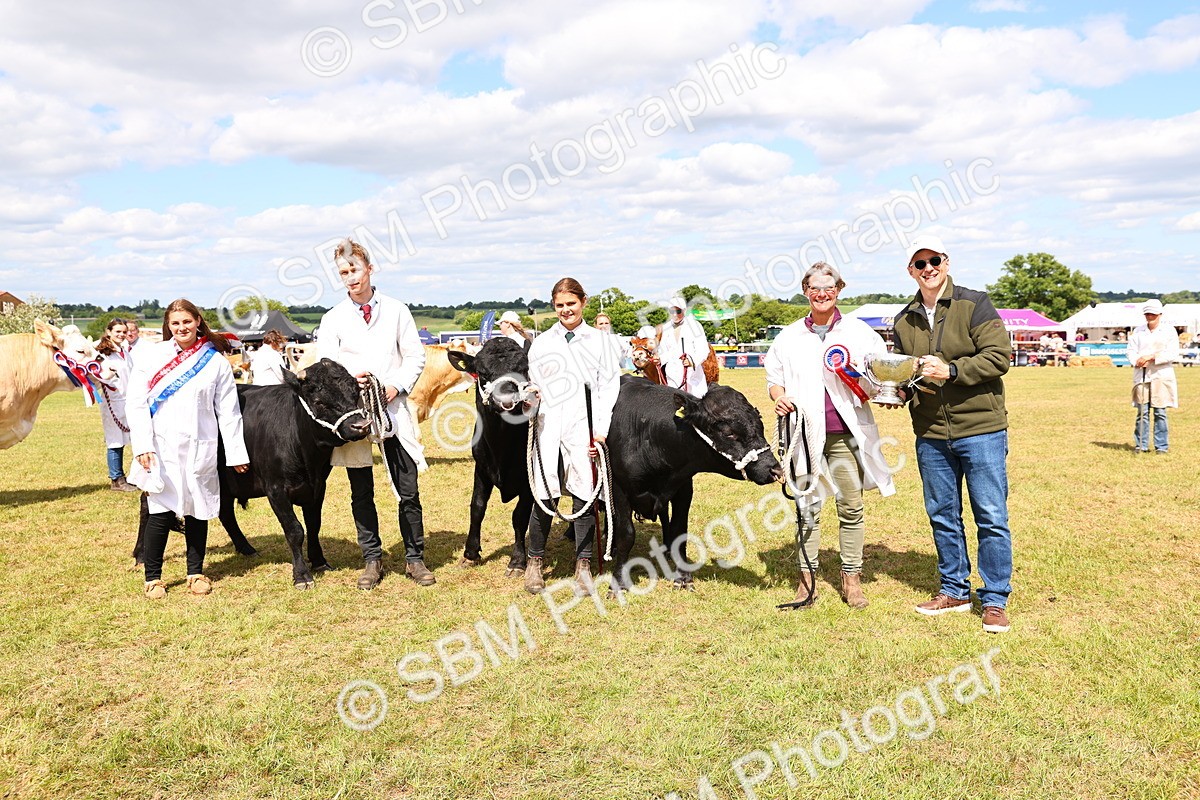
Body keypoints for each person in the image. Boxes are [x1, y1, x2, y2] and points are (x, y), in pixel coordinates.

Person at [890, 233, 1014, 634]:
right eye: (920, 264)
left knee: (991, 516)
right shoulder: (903, 319)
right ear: (910, 270)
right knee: (943, 515)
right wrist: (895, 393)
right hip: (930, 433)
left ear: (946, 261)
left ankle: (994, 599)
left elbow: (998, 357)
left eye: (934, 261)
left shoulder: (974, 303)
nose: (928, 269)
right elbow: (908, 372)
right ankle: (954, 590)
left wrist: (954, 371)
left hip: (981, 429)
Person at [765, 263, 895, 610]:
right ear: (805, 292)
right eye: (814, 288)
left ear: (839, 290)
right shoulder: (788, 336)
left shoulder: (859, 332)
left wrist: (883, 390)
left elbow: (879, 375)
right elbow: (774, 379)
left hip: (844, 436)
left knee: (850, 506)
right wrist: (779, 397)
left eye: (829, 288)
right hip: (803, 436)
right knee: (807, 508)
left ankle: (851, 579)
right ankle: (806, 580)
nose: (822, 294)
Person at [317, 238, 434, 589]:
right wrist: (349, 383)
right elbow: (326, 366)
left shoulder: (397, 310)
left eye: (354, 269)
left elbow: (414, 356)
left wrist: (394, 386)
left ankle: (415, 557)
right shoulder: (332, 318)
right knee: (361, 490)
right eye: (343, 273)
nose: (350, 277)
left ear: (369, 268)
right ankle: (372, 559)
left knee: (407, 488)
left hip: (392, 410)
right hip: (353, 416)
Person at [126, 299, 249, 599]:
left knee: (197, 509)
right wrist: (142, 444)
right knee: (160, 511)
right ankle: (152, 578)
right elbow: (137, 403)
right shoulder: (153, 357)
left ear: (197, 321)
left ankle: (195, 572)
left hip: (200, 445)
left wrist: (235, 453)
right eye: (175, 323)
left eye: (187, 322)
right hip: (161, 446)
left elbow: (228, 412)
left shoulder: (216, 361)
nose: (182, 328)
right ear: (168, 326)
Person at [524, 278, 620, 597]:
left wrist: (600, 433)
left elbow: (608, 389)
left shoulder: (600, 342)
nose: (566, 310)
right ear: (554, 306)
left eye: (571, 304)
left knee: (585, 491)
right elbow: (534, 384)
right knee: (544, 490)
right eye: (560, 305)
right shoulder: (542, 343)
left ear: (584, 302)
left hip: (585, 423)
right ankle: (535, 561)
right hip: (548, 422)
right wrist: (530, 399)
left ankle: (583, 565)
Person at [1127, 299, 1178, 453]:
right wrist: (1136, 360)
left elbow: (1172, 353)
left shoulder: (1169, 331)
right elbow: (1131, 350)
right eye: (1148, 313)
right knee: (1142, 411)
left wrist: (1151, 357)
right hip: (1142, 374)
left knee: (1160, 412)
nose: (1150, 316)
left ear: (1160, 314)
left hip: (1161, 375)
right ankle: (1141, 445)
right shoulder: (1138, 331)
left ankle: (1161, 446)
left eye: (1153, 314)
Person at [96, 317, 138, 492]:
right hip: (113, 401)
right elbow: (97, 375)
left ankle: (130, 476)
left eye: (124, 332)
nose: (121, 335)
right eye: (117, 332)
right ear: (109, 332)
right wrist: (108, 378)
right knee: (115, 440)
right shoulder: (102, 354)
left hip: (127, 399)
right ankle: (116, 479)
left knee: (127, 439)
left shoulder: (124, 351)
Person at [656, 296, 709, 397]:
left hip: (692, 377)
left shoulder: (695, 326)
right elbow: (664, 351)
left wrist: (691, 361)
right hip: (672, 376)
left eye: (678, 311)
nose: (675, 314)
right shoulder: (666, 328)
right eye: (672, 311)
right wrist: (659, 359)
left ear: (684, 310)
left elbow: (703, 350)